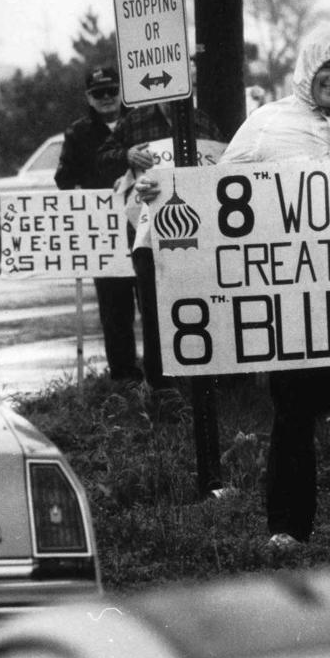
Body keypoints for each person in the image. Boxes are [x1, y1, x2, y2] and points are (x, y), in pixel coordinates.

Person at [139, 23, 330, 558]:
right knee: (293, 414)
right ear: (307, 70)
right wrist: (161, 192)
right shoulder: (266, 124)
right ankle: (289, 526)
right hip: (294, 303)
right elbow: (217, 196)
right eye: (328, 67)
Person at [97, 95, 229, 500]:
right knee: (154, 308)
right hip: (148, 231)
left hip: (198, 233)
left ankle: (210, 379)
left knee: (204, 305)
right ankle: (161, 386)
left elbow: (224, 163)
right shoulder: (134, 122)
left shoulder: (203, 118)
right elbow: (102, 158)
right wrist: (125, 153)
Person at [54, 65, 141, 383]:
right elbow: (64, 180)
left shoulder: (139, 122)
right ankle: (124, 375)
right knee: (114, 310)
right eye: (98, 93)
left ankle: (164, 376)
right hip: (105, 232)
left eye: (111, 91)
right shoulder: (78, 133)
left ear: (122, 91)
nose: (106, 98)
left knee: (152, 302)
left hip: (143, 225)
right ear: (88, 97)